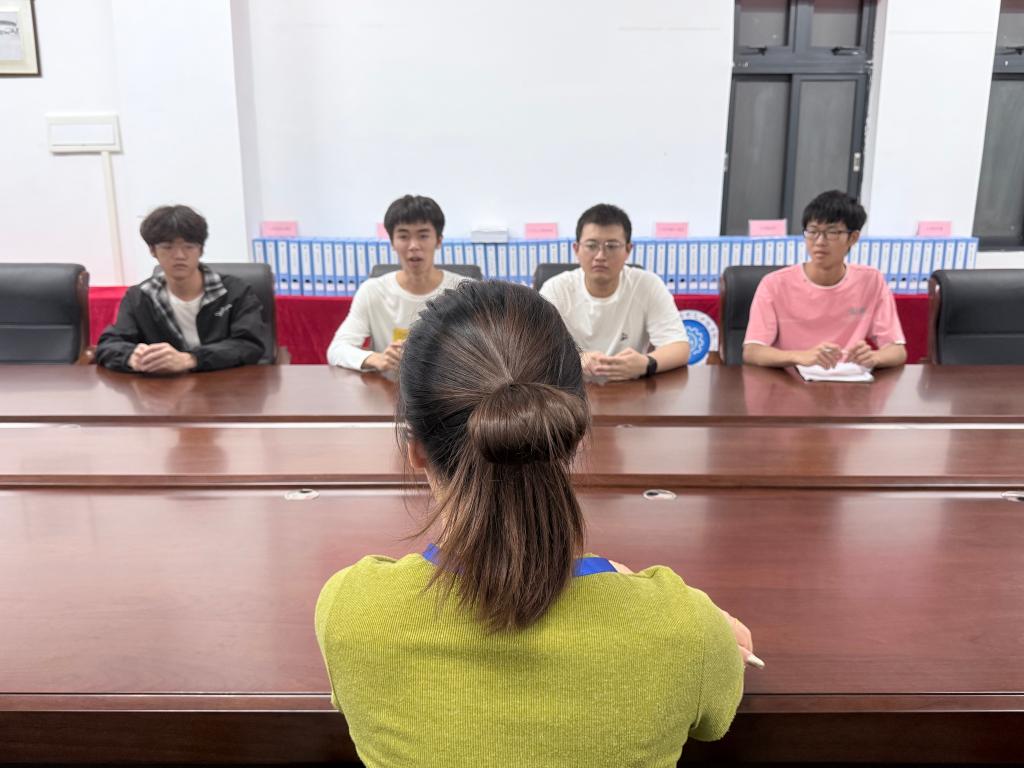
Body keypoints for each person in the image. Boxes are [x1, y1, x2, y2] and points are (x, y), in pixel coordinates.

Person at [315, 281, 753, 767]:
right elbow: (715, 719)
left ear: (414, 449)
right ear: (570, 432)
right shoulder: (686, 630)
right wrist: (702, 632)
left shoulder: (349, 612)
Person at [743, 190, 907, 369]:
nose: (820, 241)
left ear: (853, 238)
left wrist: (873, 357)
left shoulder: (871, 281)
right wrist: (799, 356)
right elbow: (752, 350)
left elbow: (897, 350)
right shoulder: (774, 284)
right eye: (813, 231)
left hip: (847, 380)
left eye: (832, 232)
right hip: (790, 380)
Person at [95, 205, 267, 373]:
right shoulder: (139, 297)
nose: (179, 255)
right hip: (163, 387)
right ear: (152, 251)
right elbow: (109, 345)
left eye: (189, 246)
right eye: (167, 247)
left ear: (201, 250)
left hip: (226, 384)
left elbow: (249, 345)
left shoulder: (235, 292)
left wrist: (190, 359)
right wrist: (131, 357)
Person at [539, 203, 690, 381]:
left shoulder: (648, 285)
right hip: (570, 389)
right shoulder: (556, 289)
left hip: (630, 388)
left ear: (628, 250)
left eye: (611, 246)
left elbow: (679, 347)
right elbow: (535, 351)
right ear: (576, 249)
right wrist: (575, 360)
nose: (600, 256)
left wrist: (646, 363)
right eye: (591, 245)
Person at [326, 194, 468, 374]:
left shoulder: (464, 291)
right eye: (403, 236)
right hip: (387, 388)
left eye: (423, 236)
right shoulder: (372, 291)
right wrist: (376, 358)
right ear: (392, 242)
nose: (413, 245)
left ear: (439, 240)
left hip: (446, 388)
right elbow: (337, 349)